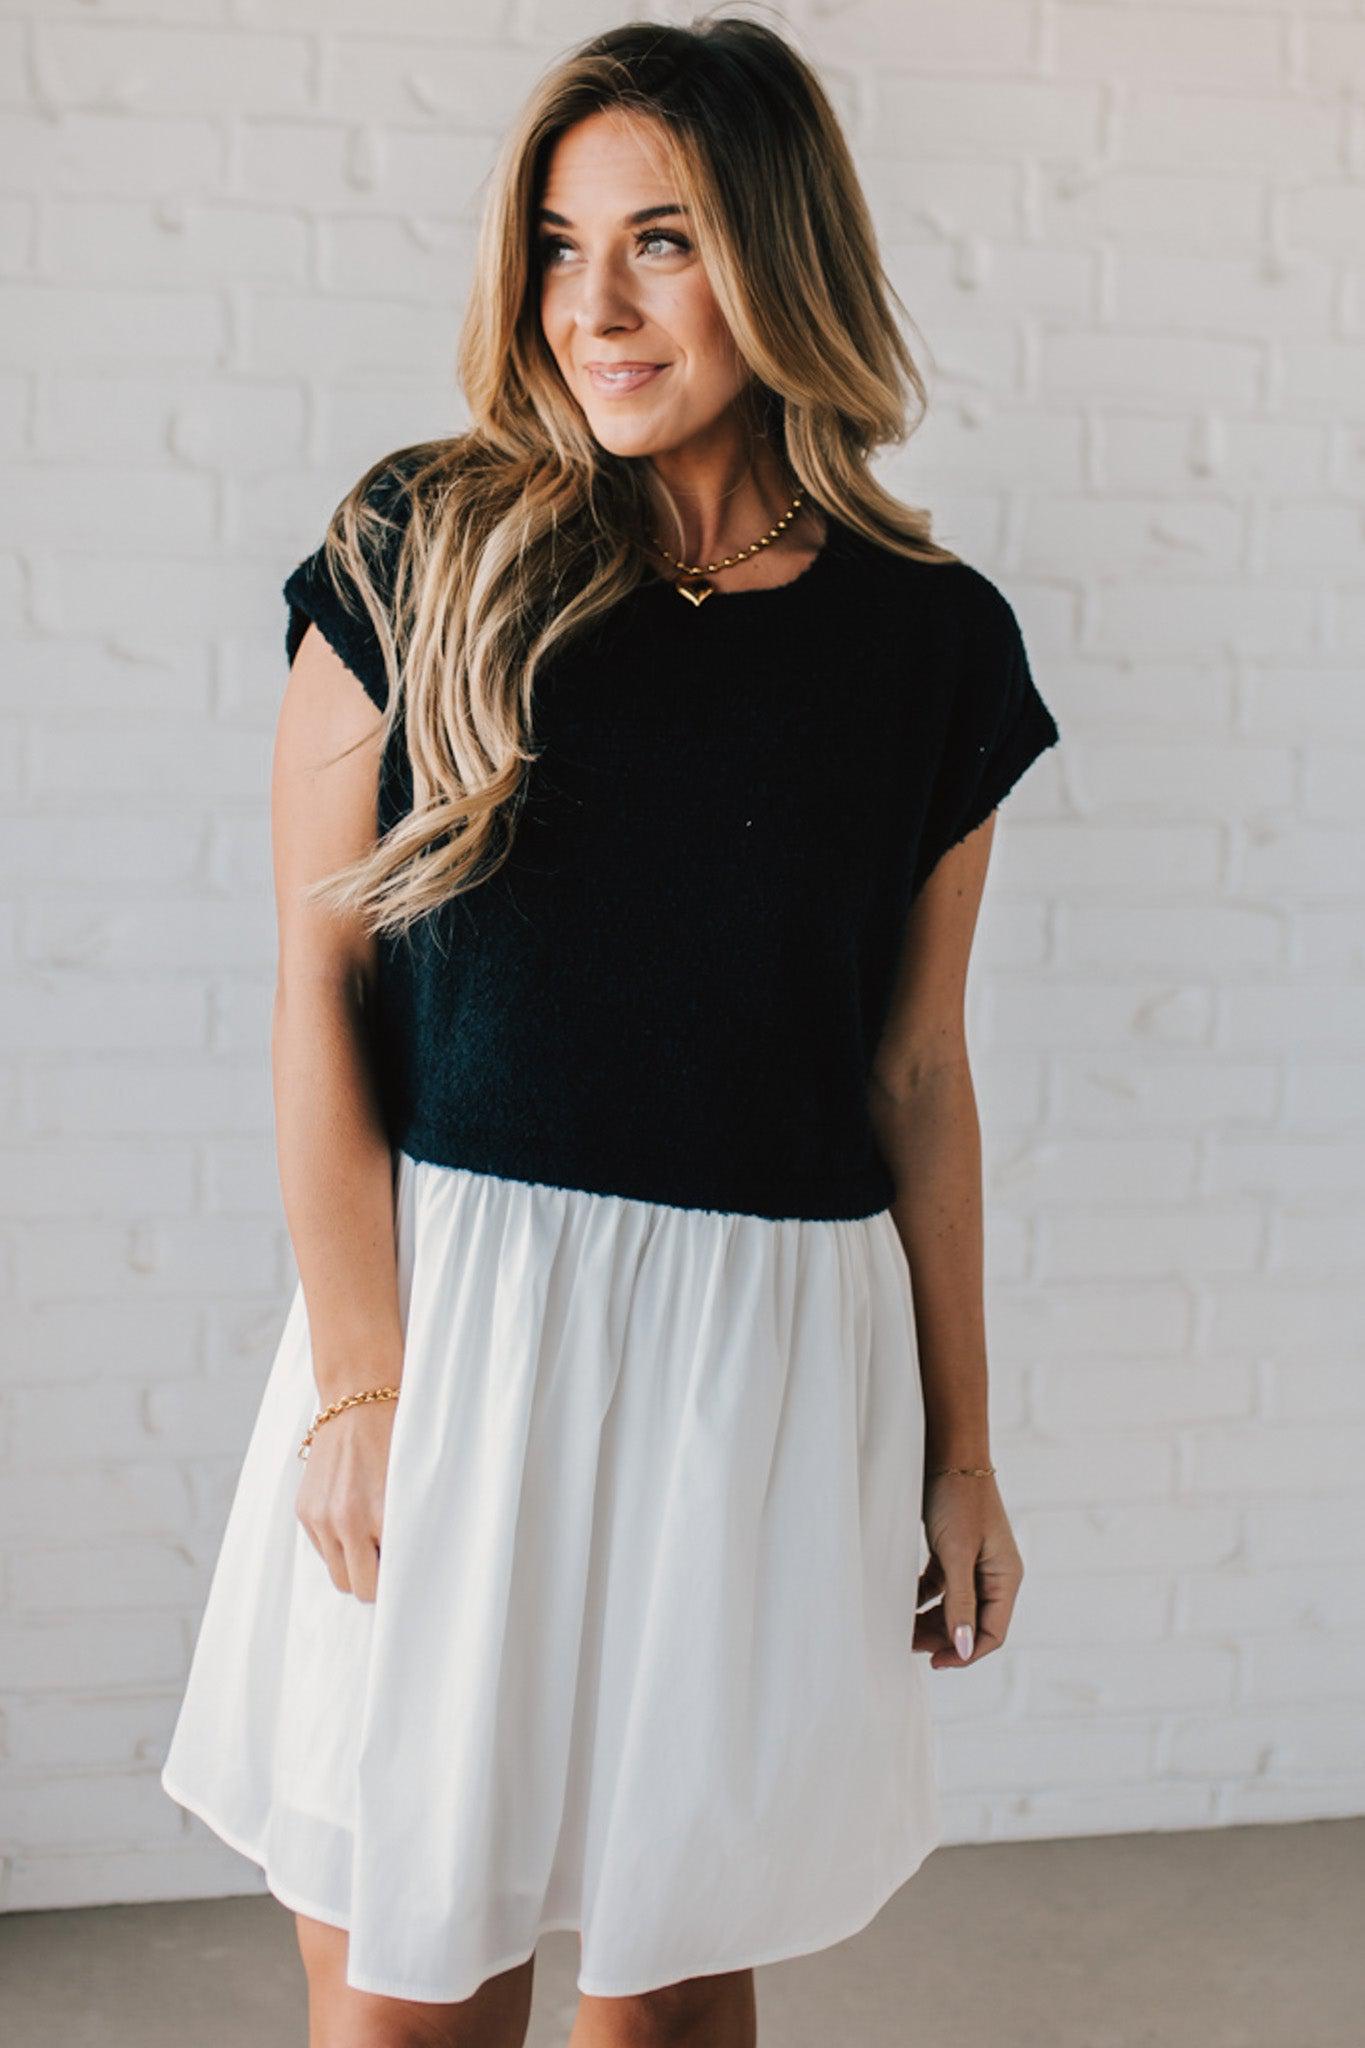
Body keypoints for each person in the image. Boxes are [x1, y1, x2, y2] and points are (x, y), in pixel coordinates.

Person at [160, 15, 1060, 2046]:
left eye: (660, 240)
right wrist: (362, 1384)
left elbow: (909, 1069)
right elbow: (312, 982)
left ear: (777, 251)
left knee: (663, 1985)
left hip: (746, 1376)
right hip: (445, 1338)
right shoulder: (422, 546)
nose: (594, 304)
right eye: (558, 246)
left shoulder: (929, 643)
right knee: (408, 1981)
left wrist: (963, 1449)